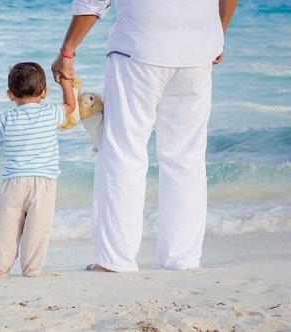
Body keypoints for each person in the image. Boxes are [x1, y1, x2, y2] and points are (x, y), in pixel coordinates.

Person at [52, 0, 238, 272]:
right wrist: (217, 34)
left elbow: (92, 3)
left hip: (139, 47)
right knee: (186, 156)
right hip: (198, 50)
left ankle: (116, 259)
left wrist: (67, 51)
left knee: (123, 151)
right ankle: (182, 258)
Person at [0, 62, 76, 277]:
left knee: (4, 227)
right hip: (44, 182)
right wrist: (66, 81)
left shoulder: (8, 117)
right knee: (38, 228)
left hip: (13, 182)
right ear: (44, 92)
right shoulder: (51, 113)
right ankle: (32, 268)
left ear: (10, 95)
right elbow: (70, 106)